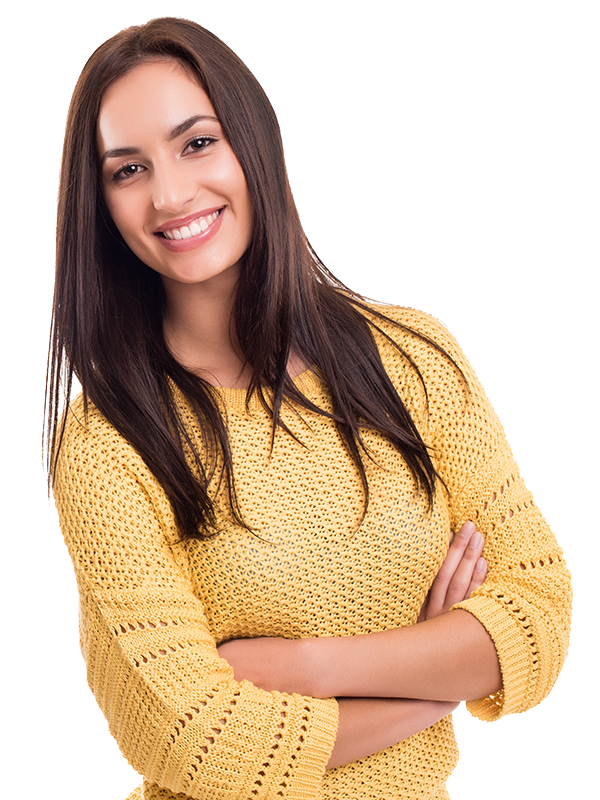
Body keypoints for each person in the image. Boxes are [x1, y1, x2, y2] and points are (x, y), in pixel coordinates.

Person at [46, 16, 571, 800]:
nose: (170, 193)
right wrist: (439, 669)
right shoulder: (107, 440)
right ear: (102, 206)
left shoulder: (413, 361)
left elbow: (540, 615)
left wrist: (300, 668)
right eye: (127, 170)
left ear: (254, 143)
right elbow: (195, 739)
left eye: (197, 143)